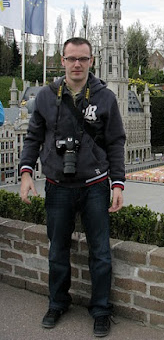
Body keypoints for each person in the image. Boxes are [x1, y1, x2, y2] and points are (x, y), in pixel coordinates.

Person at [20, 37, 126, 337]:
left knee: (100, 252)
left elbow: (116, 142)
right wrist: (26, 173)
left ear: (92, 60)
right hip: (57, 186)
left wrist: (117, 183)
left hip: (94, 185)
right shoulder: (45, 96)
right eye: (71, 59)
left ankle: (101, 309)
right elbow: (33, 138)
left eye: (83, 59)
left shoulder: (105, 98)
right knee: (57, 251)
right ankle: (57, 303)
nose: (77, 64)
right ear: (63, 60)